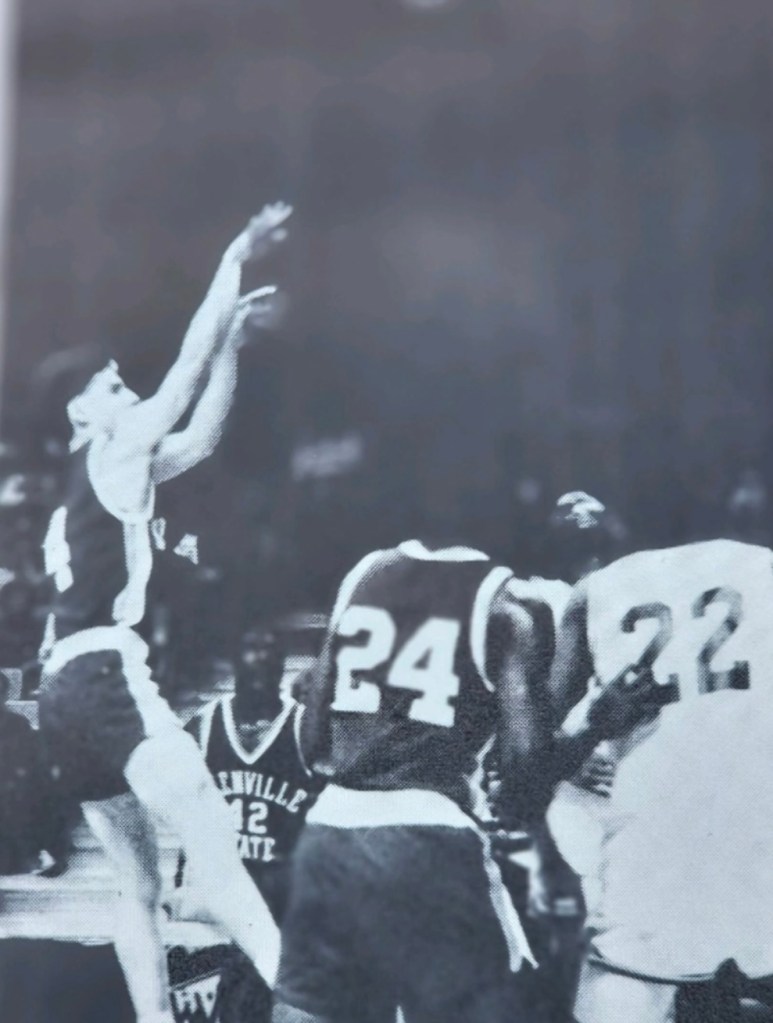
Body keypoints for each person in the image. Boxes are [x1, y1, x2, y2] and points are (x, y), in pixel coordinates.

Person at [36, 203, 292, 1023]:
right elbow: (182, 376)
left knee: (136, 886)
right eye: (113, 386)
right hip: (102, 673)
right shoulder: (112, 450)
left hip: (59, 694)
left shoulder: (83, 492)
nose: (130, 390)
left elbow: (203, 436)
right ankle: (317, 1006)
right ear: (82, 413)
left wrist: (232, 348)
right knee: (218, 862)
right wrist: (234, 257)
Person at [271, 538, 651, 1023]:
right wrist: (596, 724)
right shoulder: (512, 608)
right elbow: (523, 784)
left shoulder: (365, 573)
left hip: (330, 832)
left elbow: (312, 745)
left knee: (307, 1012)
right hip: (430, 840)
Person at [549, 538, 773, 1023]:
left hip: (654, 848)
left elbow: (532, 747)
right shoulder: (763, 565)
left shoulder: (594, 590)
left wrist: (580, 745)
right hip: (754, 831)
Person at [174, 625, 323, 1023]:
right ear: (233, 661)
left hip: (282, 897)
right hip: (220, 895)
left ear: (283, 665)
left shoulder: (305, 729)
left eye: (270, 650)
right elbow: (181, 808)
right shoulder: (203, 726)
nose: (260, 658)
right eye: (251, 649)